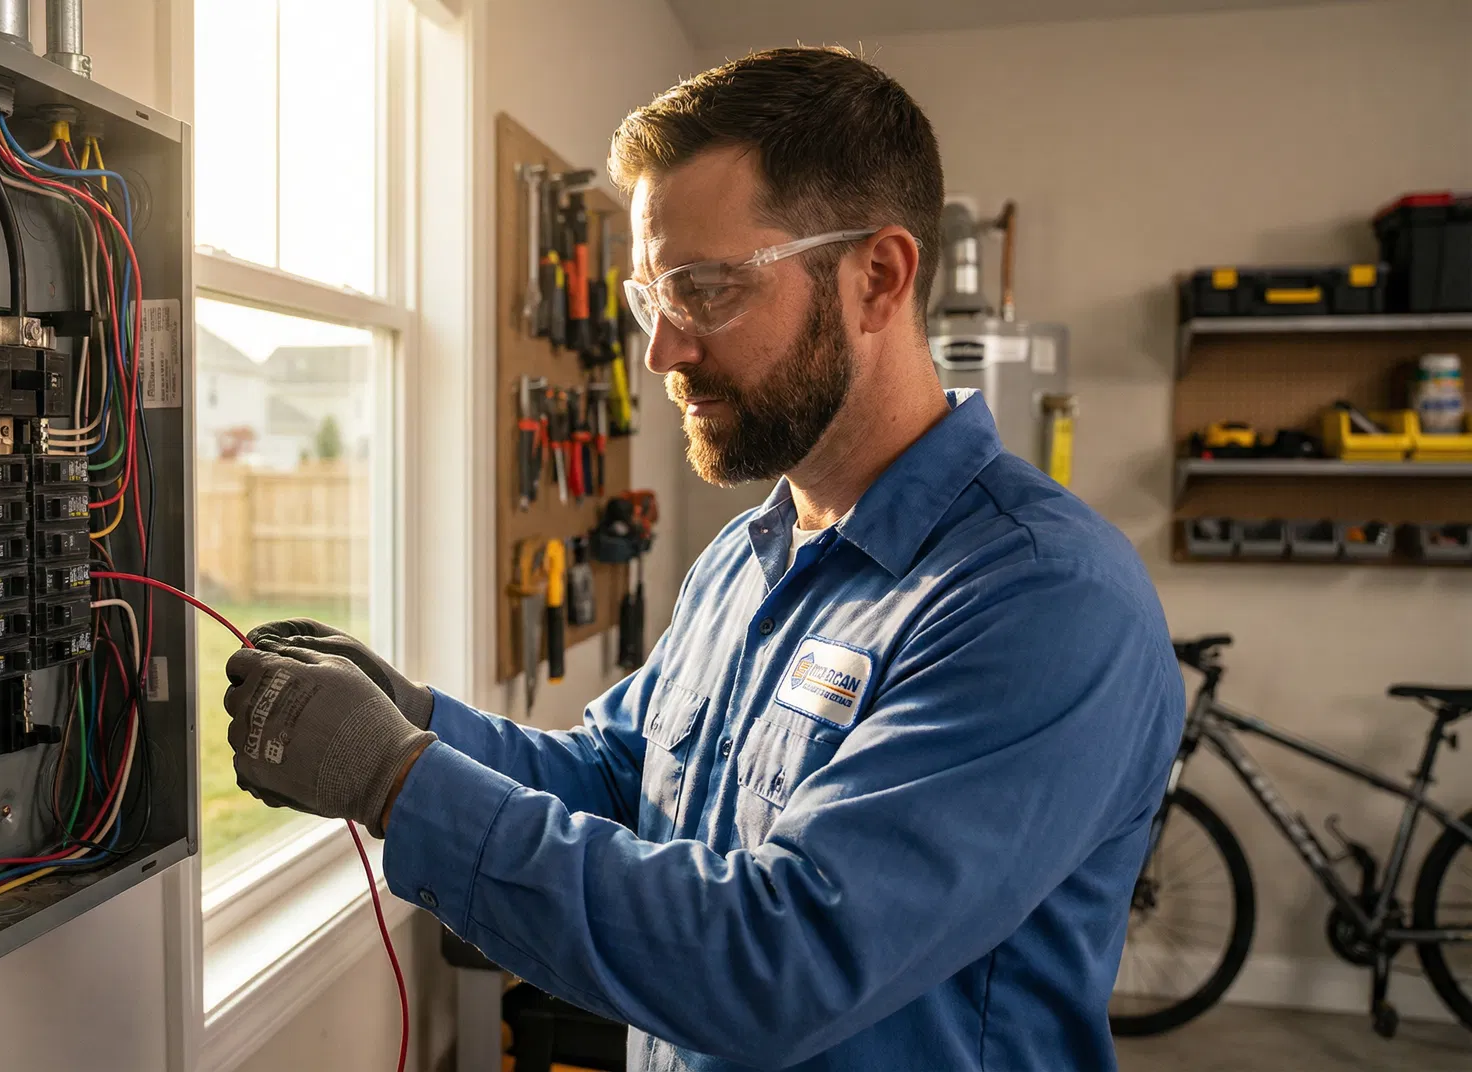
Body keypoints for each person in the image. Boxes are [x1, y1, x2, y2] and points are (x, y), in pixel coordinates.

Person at [222, 46, 1183, 1071]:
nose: (663, 354)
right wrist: (420, 720)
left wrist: (398, 781)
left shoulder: (1039, 600)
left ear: (878, 277)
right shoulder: (744, 558)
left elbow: (780, 959)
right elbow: (619, 778)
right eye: (650, 297)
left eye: (705, 289)